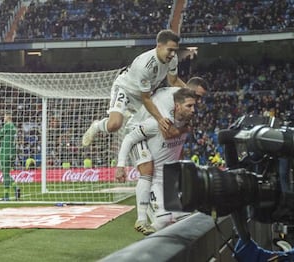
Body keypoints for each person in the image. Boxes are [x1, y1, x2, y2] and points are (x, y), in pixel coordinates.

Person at [116, 77, 207, 235]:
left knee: (185, 218)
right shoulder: (160, 119)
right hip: (136, 132)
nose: (195, 107)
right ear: (178, 106)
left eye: (198, 101)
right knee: (163, 218)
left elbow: (176, 146)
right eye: (191, 104)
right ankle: (142, 220)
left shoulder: (184, 120)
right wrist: (120, 166)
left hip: (169, 178)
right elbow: (132, 138)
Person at [82, 29, 187, 147]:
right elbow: (146, 99)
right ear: (159, 46)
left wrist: (190, 93)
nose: (173, 54)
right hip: (125, 89)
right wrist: (160, 119)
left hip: (143, 94)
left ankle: (130, 115)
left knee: (152, 130)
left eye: (175, 50)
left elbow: (173, 81)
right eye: (170, 50)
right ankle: (97, 125)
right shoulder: (145, 66)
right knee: (114, 125)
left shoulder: (172, 59)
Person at [0, 112, 19, 201]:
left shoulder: (8, 126)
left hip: (5, 153)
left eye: (4, 116)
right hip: (12, 153)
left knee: (5, 174)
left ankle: (15, 187)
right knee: (6, 174)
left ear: (8, 117)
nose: (3, 118)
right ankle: (6, 196)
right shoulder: (14, 128)